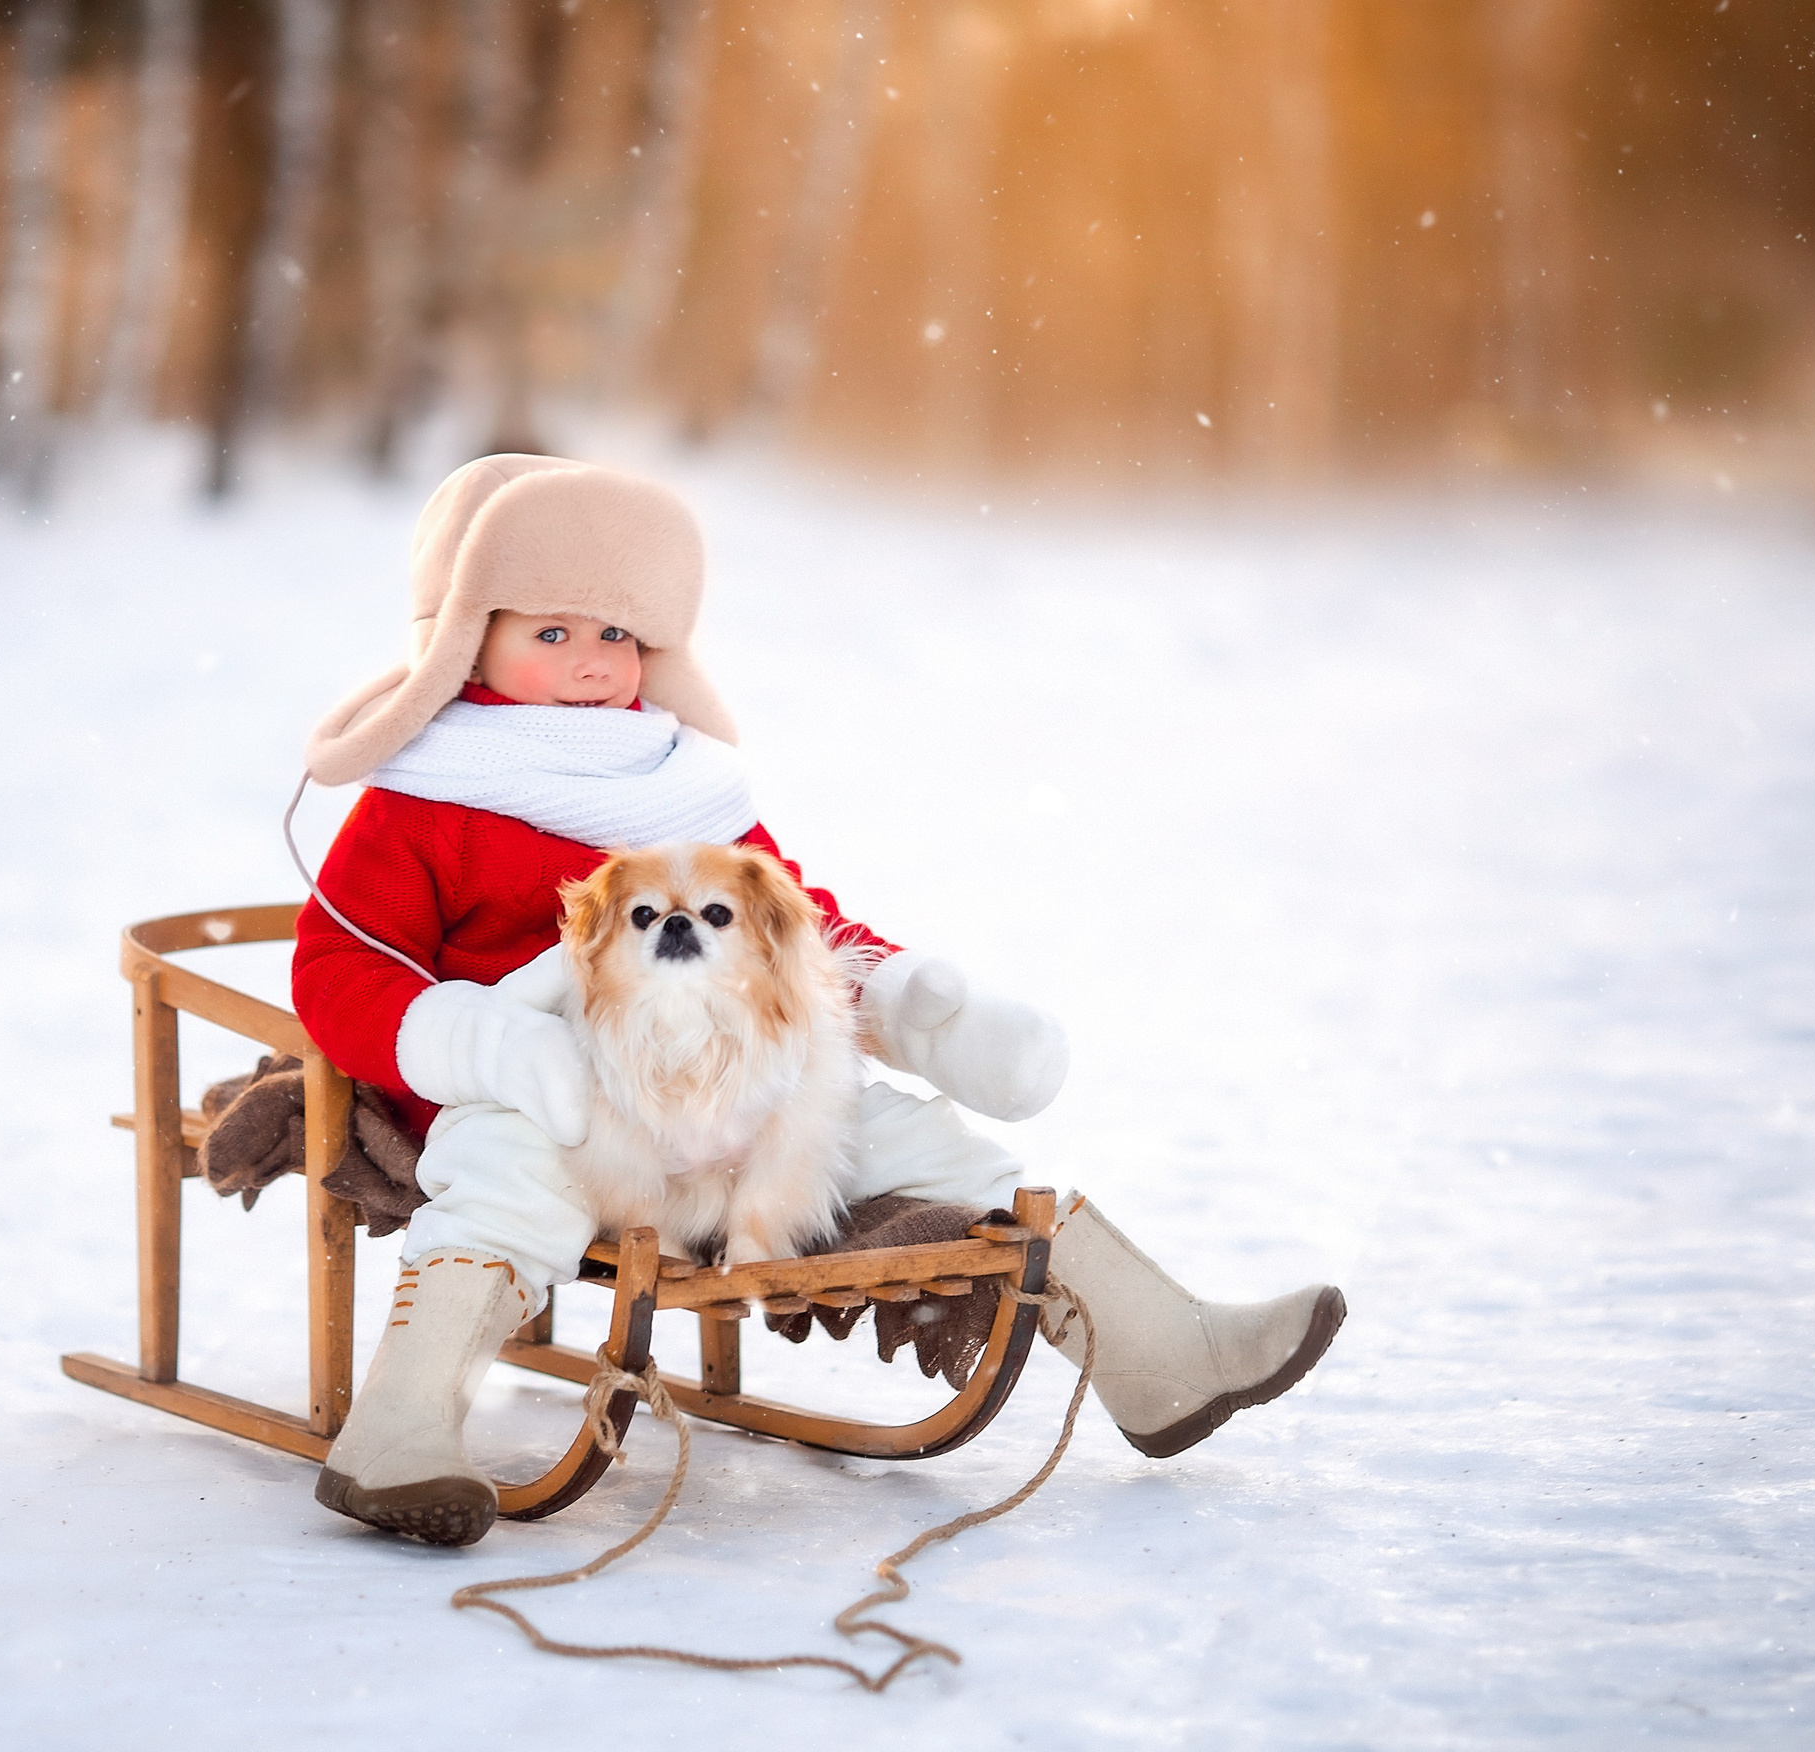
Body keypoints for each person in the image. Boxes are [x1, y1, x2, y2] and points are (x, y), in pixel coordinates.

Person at [292, 454, 1345, 1547]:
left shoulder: (676, 777)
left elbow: (790, 925)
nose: (592, 664)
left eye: (616, 635)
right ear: (466, 635)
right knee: (504, 1178)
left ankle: (1165, 1353)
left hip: (728, 1093)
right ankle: (402, 1431)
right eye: (550, 633)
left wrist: (908, 1005)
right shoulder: (428, 796)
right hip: (548, 1094)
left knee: (915, 1139)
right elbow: (339, 969)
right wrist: (484, 1047)